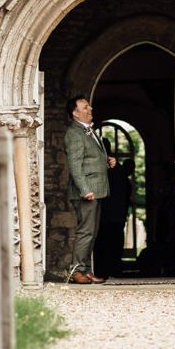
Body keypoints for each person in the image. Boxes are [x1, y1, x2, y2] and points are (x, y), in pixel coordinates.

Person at [64, 95, 116, 284]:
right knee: (86, 232)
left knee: (91, 232)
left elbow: (90, 158)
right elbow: (75, 165)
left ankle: (85, 270)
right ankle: (76, 271)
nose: (90, 108)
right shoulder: (74, 133)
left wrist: (107, 160)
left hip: (97, 189)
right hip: (87, 191)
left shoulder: (87, 131)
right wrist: (85, 189)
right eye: (85, 107)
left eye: (89, 106)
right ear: (75, 113)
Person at [93, 140, 131, 278]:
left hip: (107, 213)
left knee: (105, 242)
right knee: (112, 242)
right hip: (113, 213)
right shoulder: (118, 169)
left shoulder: (113, 168)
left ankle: (104, 270)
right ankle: (110, 269)